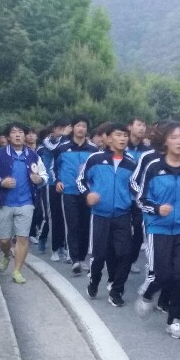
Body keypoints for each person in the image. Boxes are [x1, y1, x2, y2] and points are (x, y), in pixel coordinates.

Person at [134, 122, 180, 339]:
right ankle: (148, 295)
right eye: (174, 137)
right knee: (162, 274)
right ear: (165, 141)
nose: (179, 141)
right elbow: (141, 199)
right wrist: (157, 208)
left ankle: (174, 321)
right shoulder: (153, 167)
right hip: (158, 227)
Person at [77, 122, 137, 306]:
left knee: (125, 254)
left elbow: (136, 188)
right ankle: (94, 281)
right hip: (100, 214)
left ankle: (116, 290)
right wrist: (88, 195)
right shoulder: (95, 159)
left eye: (125, 135)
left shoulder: (131, 163)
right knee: (99, 256)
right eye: (118, 135)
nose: (123, 139)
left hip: (123, 215)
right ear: (108, 138)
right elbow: (81, 181)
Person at [0, 122, 48, 284]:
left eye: (21, 132)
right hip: (5, 202)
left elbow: (45, 175)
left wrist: (39, 179)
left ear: (25, 136)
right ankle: (6, 254)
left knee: (22, 238)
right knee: (4, 240)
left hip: (27, 202)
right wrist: (0, 182)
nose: (18, 135)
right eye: (14, 132)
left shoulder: (33, 156)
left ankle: (17, 270)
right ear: (8, 136)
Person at [54, 117, 98, 275]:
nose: (81, 129)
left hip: (87, 193)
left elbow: (97, 170)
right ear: (72, 128)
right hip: (69, 191)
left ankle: (82, 257)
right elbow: (54, 168)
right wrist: (58, 181)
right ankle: (74, 259)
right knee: (72, 225)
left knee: (85, 226)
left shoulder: (93, 150)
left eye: (84, 126)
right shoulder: (62, 148)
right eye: (78, 126)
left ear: (87, 129)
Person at [127, 117, 154, 274]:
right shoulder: (122, 146)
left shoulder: (148, 151)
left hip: (139, 198)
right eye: (138, 125)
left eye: (144, 125)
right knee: (122, 231)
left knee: (138, 231)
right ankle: (118, 259)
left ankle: (131, 260)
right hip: (122, 196)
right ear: (130, 127)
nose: (142, 128)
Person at [38, 120, 69, 255]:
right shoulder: (47, 141)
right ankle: (43, 238)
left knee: (62, 216)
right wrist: (65, 136)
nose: (63, 131)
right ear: (54, 129)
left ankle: (61, 245)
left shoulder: (67, 142)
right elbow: (55, 150)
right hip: (49, 183)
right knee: (50, 216)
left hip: (63, 183)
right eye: (61, 128)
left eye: (65, 128)